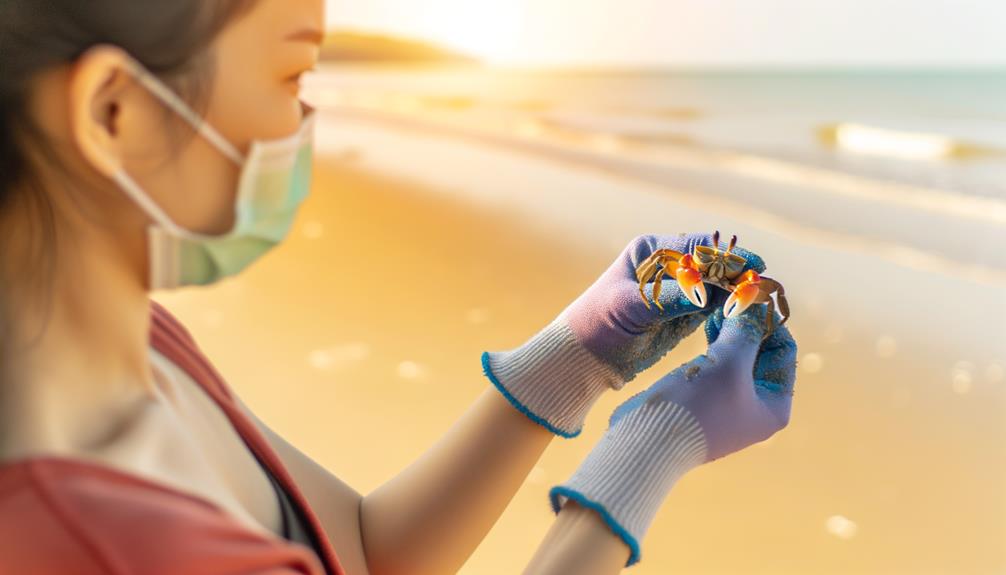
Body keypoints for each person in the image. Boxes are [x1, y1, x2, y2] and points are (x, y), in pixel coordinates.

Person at [0, 1, 798, 574]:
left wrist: (576, 355)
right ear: (116, 112)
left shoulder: (141, 344)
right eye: (291, 72)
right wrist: (646, 458)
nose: (306, 117)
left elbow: (365, 547)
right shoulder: (107, 541)